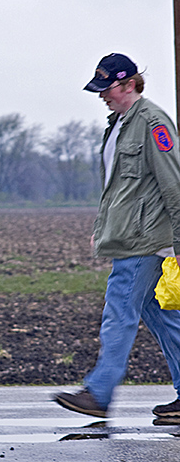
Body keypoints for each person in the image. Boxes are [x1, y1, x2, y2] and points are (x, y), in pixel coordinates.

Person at [54, 53, 180, 418]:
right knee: (158, 314)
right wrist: (101, 230)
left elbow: (174, 185)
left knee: (119, 311)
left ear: (129, 85)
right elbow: (115, 190)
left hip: (146, 241)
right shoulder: (120, 124)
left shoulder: (153, 122)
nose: (101, 96)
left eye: (106, 89)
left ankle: (99, 393)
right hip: (128, 236)